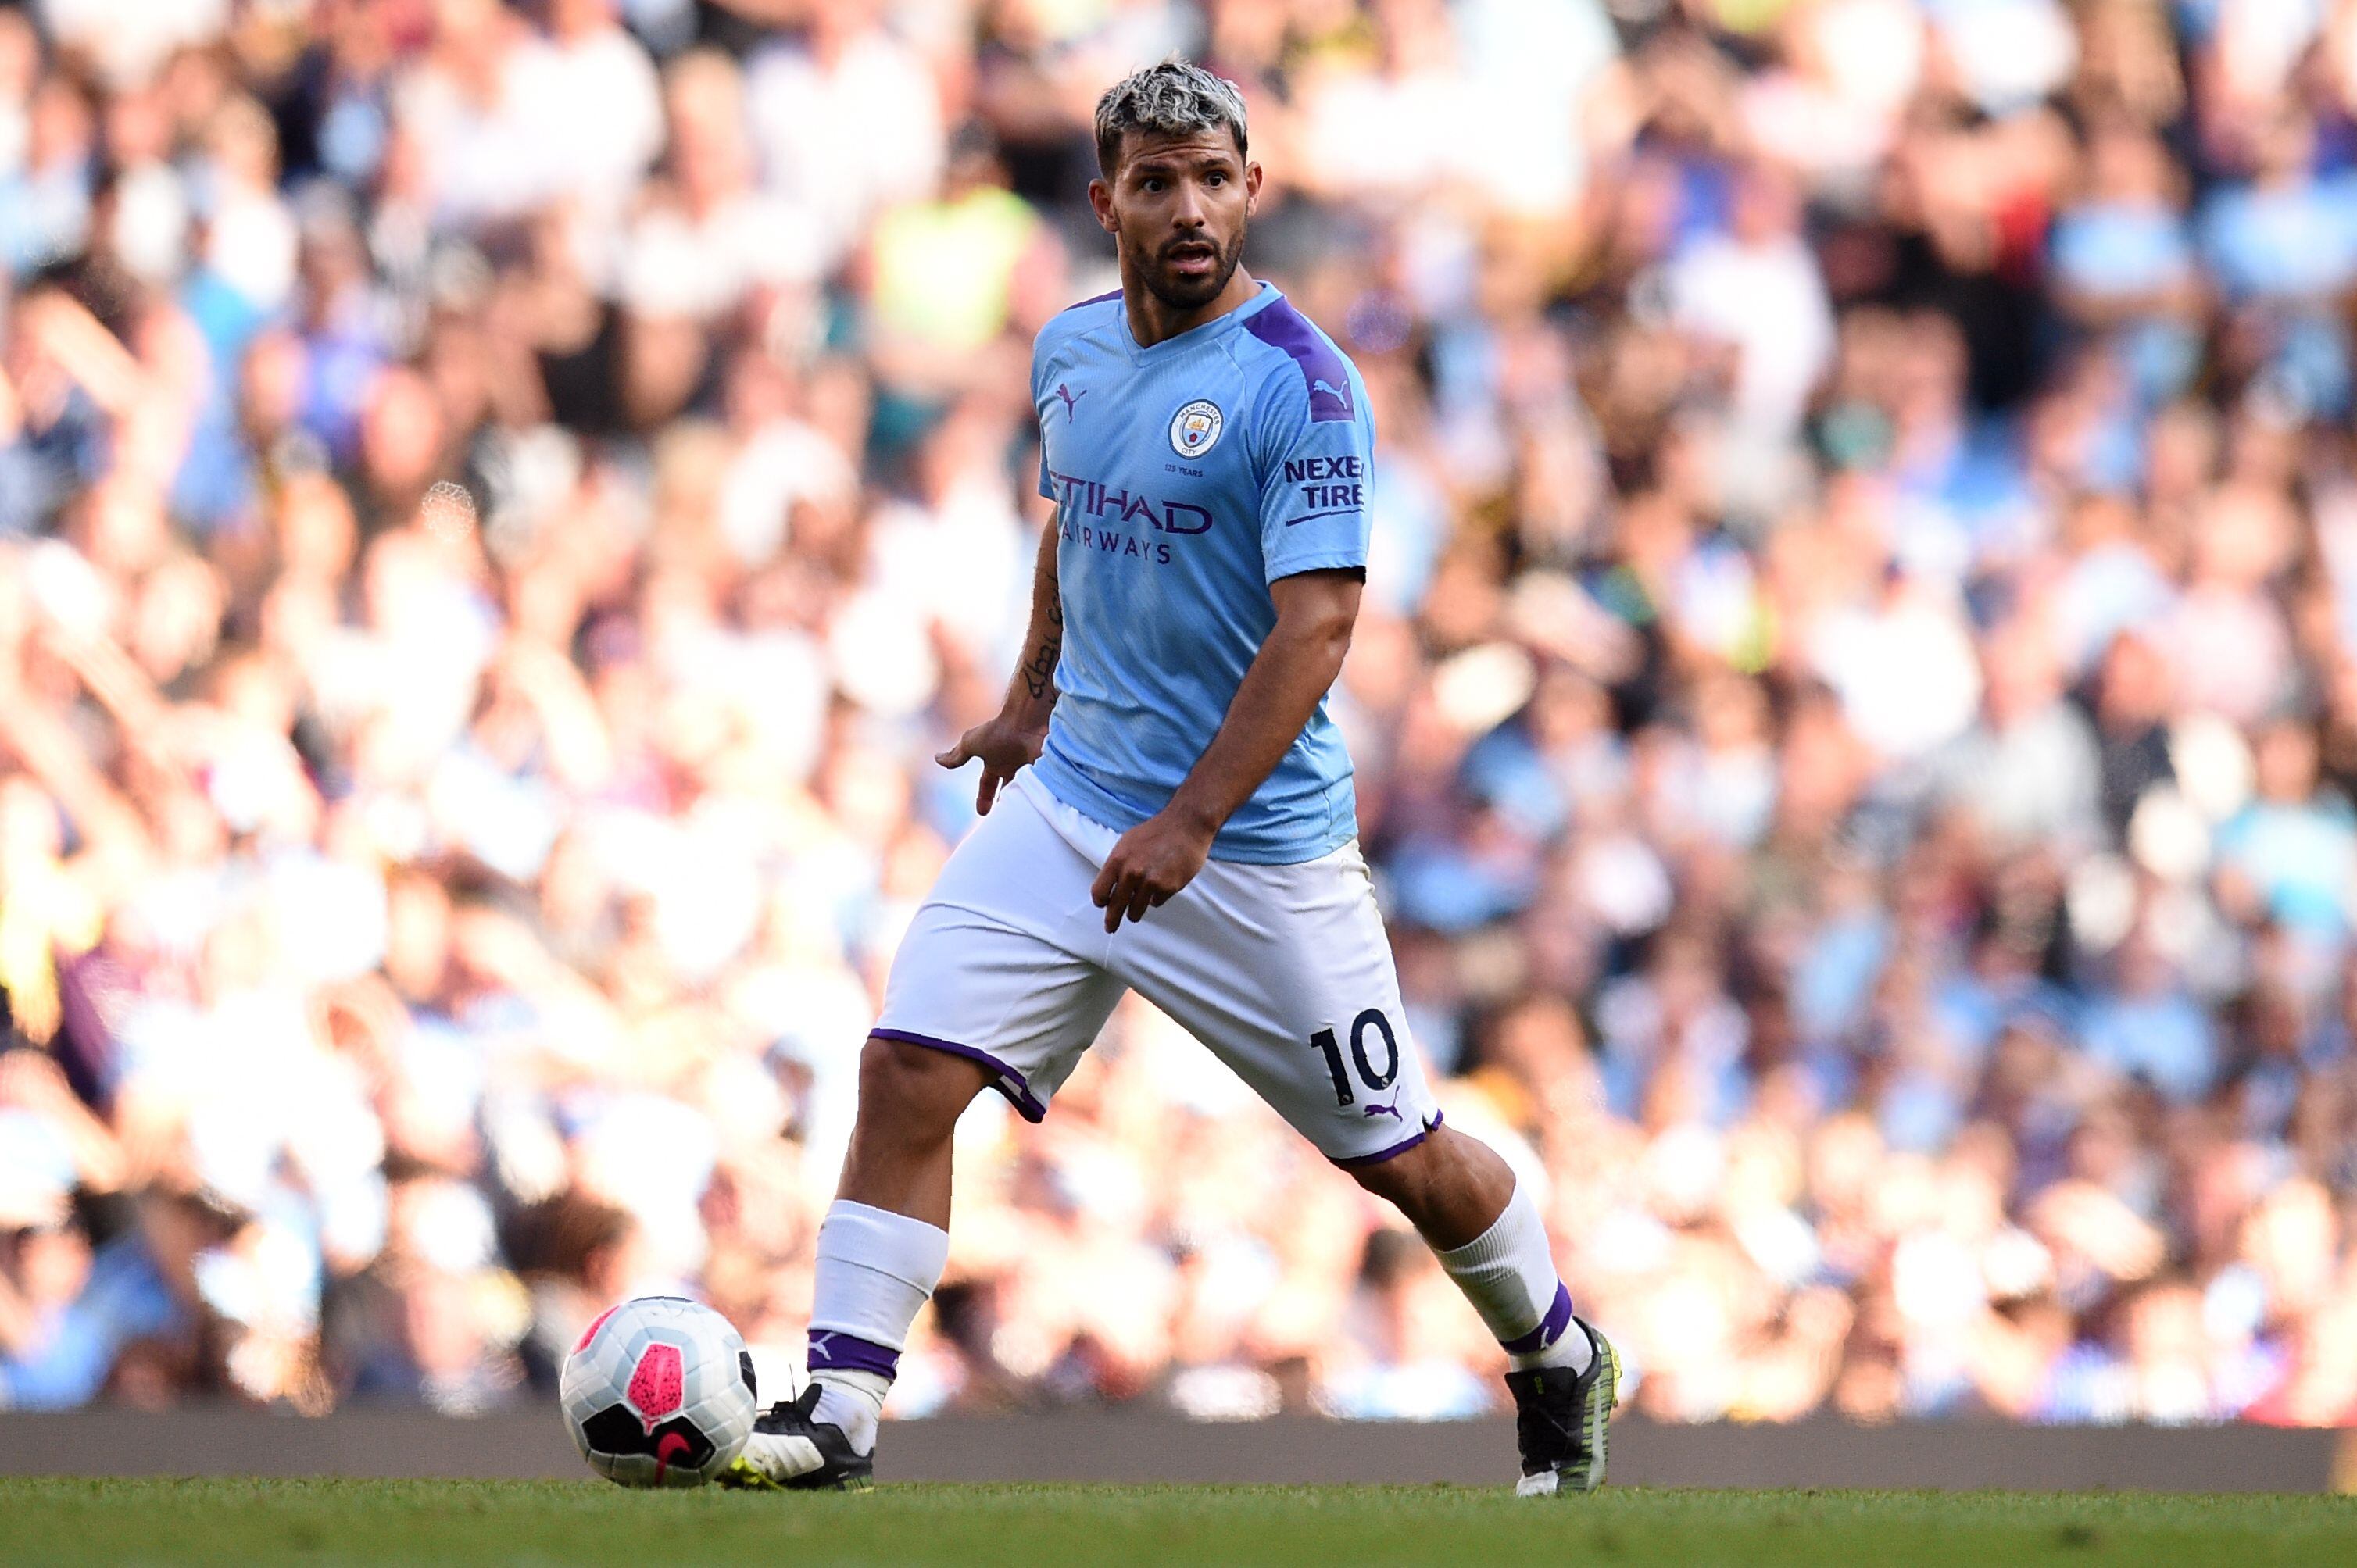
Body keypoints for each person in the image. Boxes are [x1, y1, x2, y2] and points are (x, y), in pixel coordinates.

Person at [721, 60, 1616, 1496]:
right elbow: (1074, 522)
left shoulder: (1305, 388)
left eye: (1214, 178)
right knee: (902, 1070)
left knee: (1400, 1162)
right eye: (1157, 182)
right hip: (1075, 802)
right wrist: (1028, 697)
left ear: (1253, 189)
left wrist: (1193, 819)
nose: (1189, 207)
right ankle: (839, 1411)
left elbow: (1319, 626)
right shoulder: (1071, 351)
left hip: (1255, 852)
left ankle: (1559, 1348)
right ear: (1106, 203)